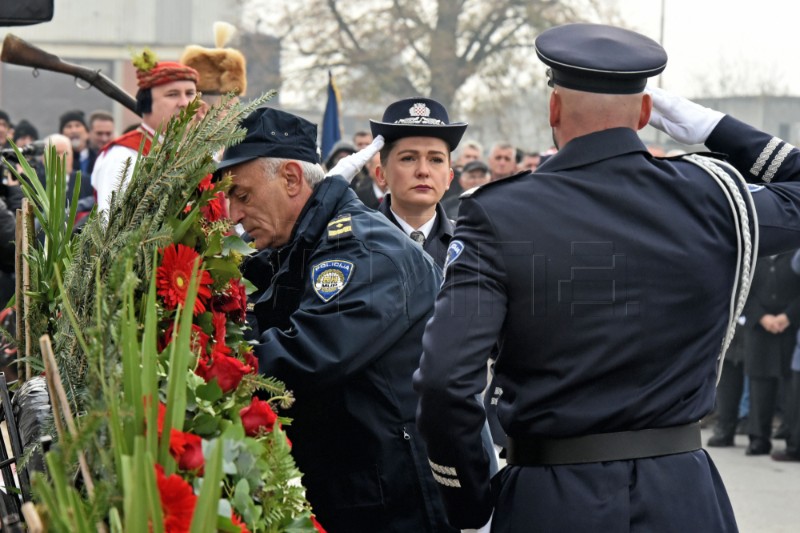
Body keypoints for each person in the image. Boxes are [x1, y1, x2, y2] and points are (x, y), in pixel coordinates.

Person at [414, 22, 800, 532]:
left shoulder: (498, 215)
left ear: (553, 110)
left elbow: (445, 381)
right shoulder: (713, 202)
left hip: (551, 498)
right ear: (646, 114)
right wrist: (714, 128)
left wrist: (468, 504)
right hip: (684, 497)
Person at [216, 107, 457, 532]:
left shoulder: (364, 252)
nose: (233, 213)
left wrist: (207, 369)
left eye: (243, 195)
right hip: (352, 486)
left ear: (291, 179)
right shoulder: (298, 246)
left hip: (387, 501)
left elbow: (303, 357)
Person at [91, 54, 199, 214]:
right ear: (147, 103)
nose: (184, 103)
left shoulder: (196, 151)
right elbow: (111, 227)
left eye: (190, 94)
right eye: (173, 94)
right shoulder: (123, 156)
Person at [370, 96, 465, 267]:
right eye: (408, 158)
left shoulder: (470, 244)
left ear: (449, 177)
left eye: (436, 160)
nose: (423, 171)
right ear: (381, 174)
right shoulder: (355, 241)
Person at [59, 109, 90, 175]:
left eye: (77, 125)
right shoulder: (58, 160)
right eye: (68, 126)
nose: (73, 130)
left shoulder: (98, 158)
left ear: (87, 133)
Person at [86, 110, 115, 175]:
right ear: (89, 132)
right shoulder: (80, 158)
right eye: (99, 133)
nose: (104, 139)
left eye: (108, 134)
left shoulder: (119, 157)